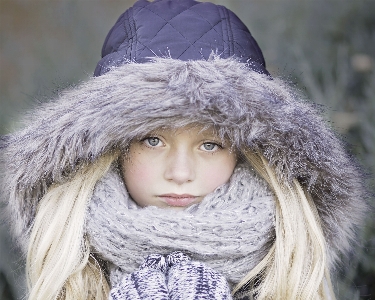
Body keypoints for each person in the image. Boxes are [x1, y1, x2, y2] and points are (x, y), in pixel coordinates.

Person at [0, 0, 367, 299]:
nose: (180, 172)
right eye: (152, 140)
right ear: (109, 150)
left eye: (210, 144)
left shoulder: (293, 281)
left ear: (248, 156)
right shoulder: (66, 275)